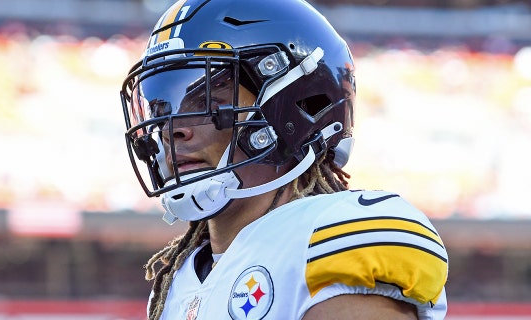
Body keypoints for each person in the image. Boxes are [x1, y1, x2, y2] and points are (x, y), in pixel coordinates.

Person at [119, 0, 448, 319]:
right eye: (163, 111)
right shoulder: (177, 282)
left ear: (295, 106)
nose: (170, 131)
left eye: (209, 103)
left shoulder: (335, 237)